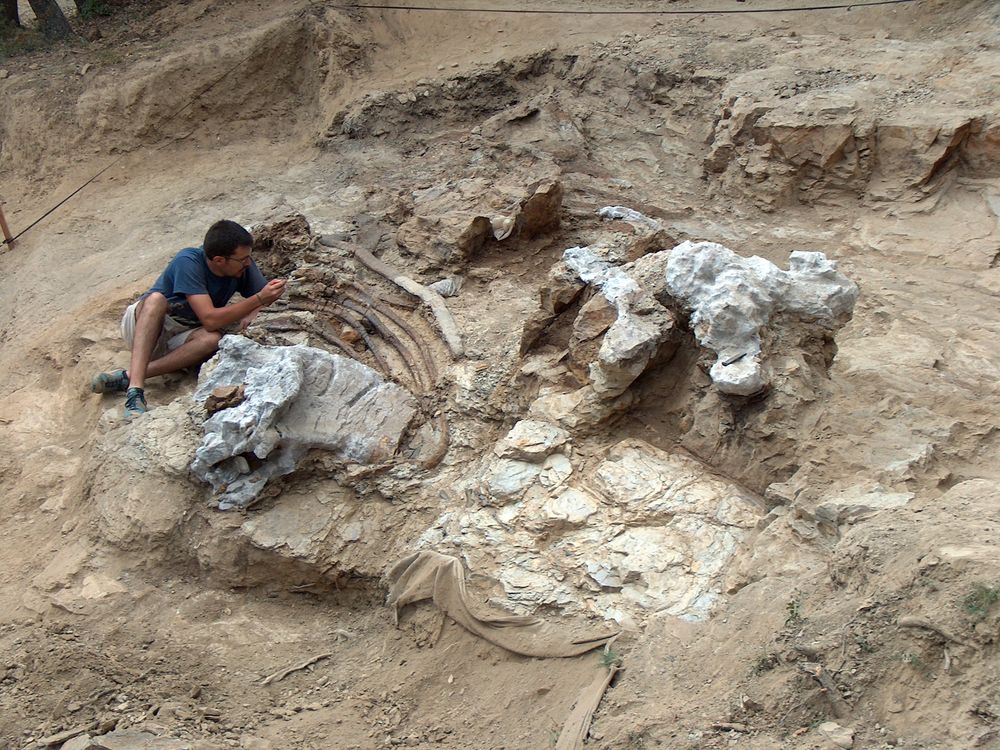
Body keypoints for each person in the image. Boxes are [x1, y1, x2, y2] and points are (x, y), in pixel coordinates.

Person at [91, 220, 286, 417]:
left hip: (183, 335)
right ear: (219, 260)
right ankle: (135, 391)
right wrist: (259, 299)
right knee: (156, 300)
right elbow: (210, 319)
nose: (248, 263)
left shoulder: (242, 266)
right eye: (242, 259)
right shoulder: (189, 261)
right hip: (147, 325)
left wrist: (258, 305)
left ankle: (128, 375)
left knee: (212, 339)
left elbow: (266, 297)